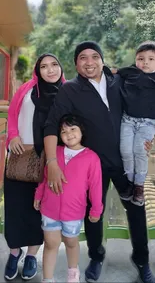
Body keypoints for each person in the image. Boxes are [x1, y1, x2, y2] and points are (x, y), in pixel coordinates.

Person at [43, 41, 154, 283]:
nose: (90, 61)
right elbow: (52, 124)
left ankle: (142, 259)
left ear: (102, 59)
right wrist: (52, 161)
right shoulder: (70, 89)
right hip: (93, 165)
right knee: (93, 212)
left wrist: (149, 135)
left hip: (125, 162)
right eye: (83, 57)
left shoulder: (119, 80)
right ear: (76, 63)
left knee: (136, 210)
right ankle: (96, 256)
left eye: (95, 56)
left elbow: (144, 104)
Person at [4, 53, 65, 281]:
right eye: (44, 66)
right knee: (15, 207)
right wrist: (12, 136)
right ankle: (14, 252)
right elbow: (12, 113)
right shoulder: (27, 89)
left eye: (54, 65)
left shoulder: (68, 92)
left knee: (40, 210)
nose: (50, 70)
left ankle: (31, 255)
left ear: (60, 67)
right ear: (37, 71)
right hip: (21, 156)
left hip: (51, 161)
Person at [34, 114, 103, 283]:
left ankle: (73, 272)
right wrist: (38, 195)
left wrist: (96, 209)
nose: (69, 134)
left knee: (71, 242)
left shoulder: (91, 157)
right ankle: (47, 279)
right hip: (49, 209)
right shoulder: (54, 153)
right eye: (63, 131)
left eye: (73, 129)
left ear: (82, 132)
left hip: (74, 212)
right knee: (50, 243)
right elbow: (45, 177)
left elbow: (95, 186)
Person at [119, 41, 155, 206]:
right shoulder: (131, 72)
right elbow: (116, 72)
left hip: (148, 123)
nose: (145, 62)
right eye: (141, 58)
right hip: (128, 120)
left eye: (151, 59)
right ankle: (131, 182)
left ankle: (139, 185)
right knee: (125, 150)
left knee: (139, 151)